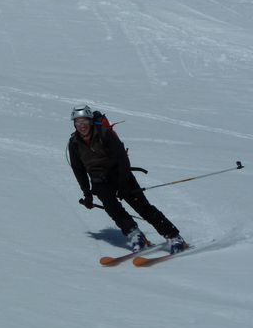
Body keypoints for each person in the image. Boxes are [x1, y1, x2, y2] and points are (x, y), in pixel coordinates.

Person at [68, 105, 186, 254]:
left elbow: (122, 159)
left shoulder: (105, 134)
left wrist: (123, 183)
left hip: (120, 174)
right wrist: (87, 194)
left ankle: (174, 236)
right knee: (112, 208)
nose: (82, 126)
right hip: (100, 181)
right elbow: (79, 171)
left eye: (84, 122)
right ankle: (135, 235)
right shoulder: (74, 144)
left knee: (143, 207)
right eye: (78, 123)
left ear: (91, 121)